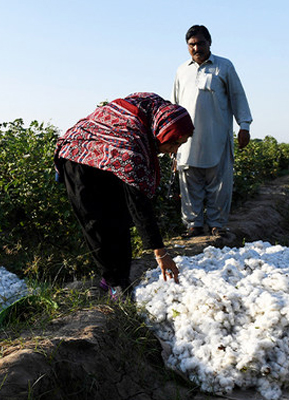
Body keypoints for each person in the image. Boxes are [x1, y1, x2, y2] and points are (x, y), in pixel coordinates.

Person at [54, 92, 194, 299]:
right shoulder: (132, 146)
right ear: (160, 134)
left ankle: (117, 276)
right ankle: (115, 284)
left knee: (119, 217)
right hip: (79, 158)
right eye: (173, 144)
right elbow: (139, 203)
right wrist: (160, 253)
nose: (174, 150)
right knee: (96, 222)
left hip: (109, 157)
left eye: (180, 144)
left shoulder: (154, 110)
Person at [171, 25, 253, 238]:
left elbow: (238, 96)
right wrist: (171, 140)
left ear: (209, 43)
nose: (196, 48)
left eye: (200, 43)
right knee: (189, 182)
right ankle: (194, 225)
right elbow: (175, 105)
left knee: (219, 184)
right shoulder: (182, 70)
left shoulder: (224, 67)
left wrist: (244, 125)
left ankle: (218, 224)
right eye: (191, 45)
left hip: (217, 136)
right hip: (187, 140)